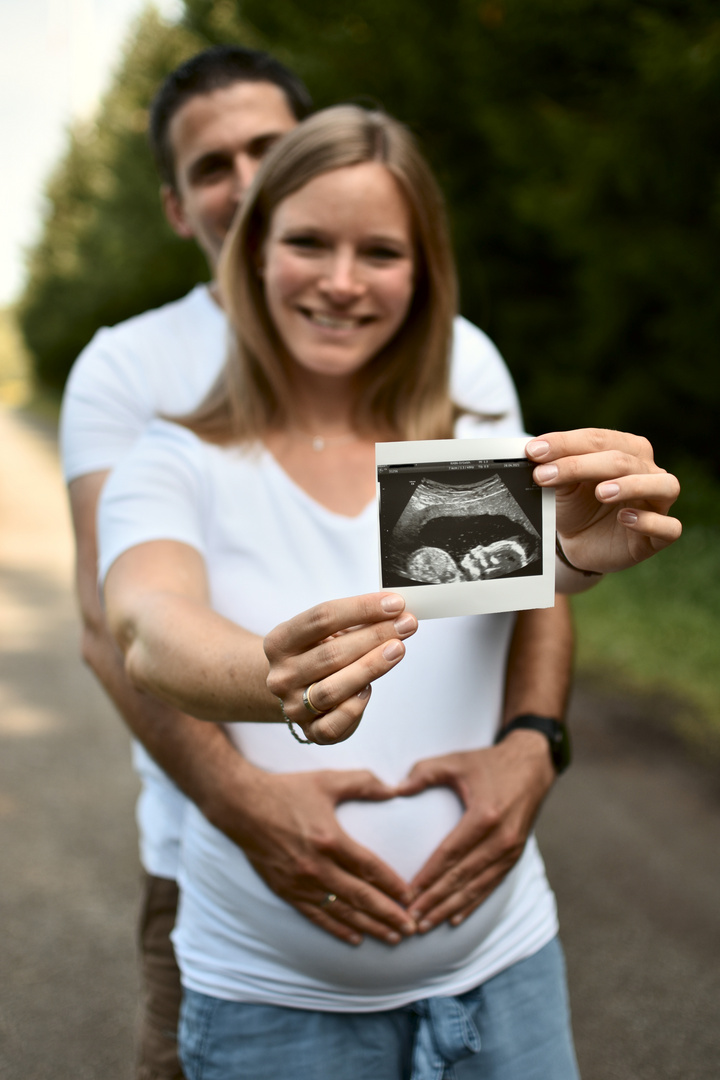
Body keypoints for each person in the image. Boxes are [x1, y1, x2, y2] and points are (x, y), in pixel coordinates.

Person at [97, 106, 681, 1079]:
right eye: (307, 243)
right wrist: (273, 674)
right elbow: (149, 630)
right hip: (271, 1013)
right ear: (250, 255)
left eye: (379, 251)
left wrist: (570, 561)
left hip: (507, 980)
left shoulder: (455, 448)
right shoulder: (176, 456)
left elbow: (504, 595)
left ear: (423, 272)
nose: (339, 280)